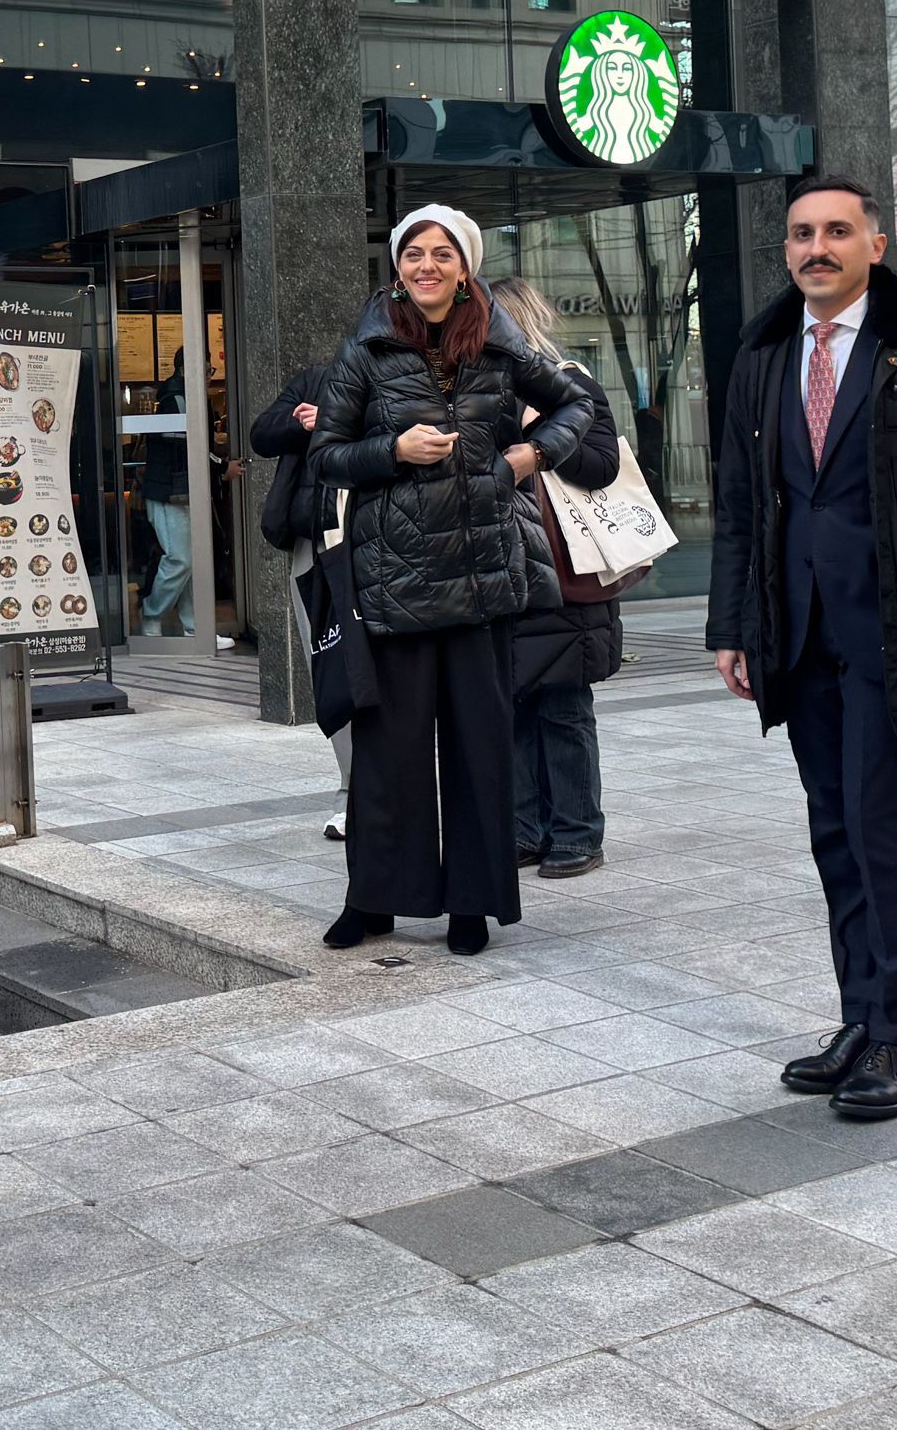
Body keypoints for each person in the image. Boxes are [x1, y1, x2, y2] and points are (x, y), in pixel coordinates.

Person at [706, 174, 897, 1119]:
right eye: (801, 234)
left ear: (876, 244)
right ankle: (857, 1017)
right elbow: (741, 506)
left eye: (838, 231)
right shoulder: (762, 357)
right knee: (833, 830)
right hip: (798, 636)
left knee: (882, 830)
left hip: (895, 637)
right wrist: (733, 626)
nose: (817, 248)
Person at [309, 204, 592, 955]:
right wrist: (393, 449)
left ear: (464, 267)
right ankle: (372, 901)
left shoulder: (501, 346)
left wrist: (529, 456)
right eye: (412, 254)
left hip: (480, 576)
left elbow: (578, 406)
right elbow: (325, 453)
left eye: (442, 254)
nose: (425, 266)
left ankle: (472, 903)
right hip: (393, 579)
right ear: (397, 266)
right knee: (386, 755)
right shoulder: (366, 349)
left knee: (479, 748)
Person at [494, 277, 622, 879]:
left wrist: (543, 437)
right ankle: (526, 830)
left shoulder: (572, 386)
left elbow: (602, 466)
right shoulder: (472, 392)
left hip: (566, 570)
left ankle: (577, 833)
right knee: (511, 706)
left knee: (565, 706)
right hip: (501, 568)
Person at [252, 357, 352, 840]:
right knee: (332, 669)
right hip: (317, 544)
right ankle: (353, 794)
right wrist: (300, 421)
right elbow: (262, 433)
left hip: (388, 542)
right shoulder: (319, 375)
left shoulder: (419, 377)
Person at [139, 346, 235, 651]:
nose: (210, 378)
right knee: (181, 559)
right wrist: (222, 467)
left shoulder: (176, 397)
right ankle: (151, 614)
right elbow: (189, 447)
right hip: (169, 493)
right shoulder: (178, 400)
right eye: (208, 371)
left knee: (190, 560)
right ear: (188, 371)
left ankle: (196, 627)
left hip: (173, 491)